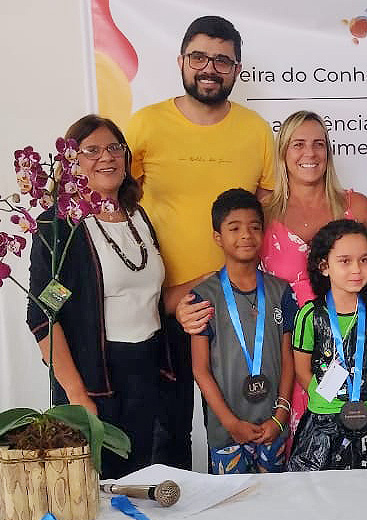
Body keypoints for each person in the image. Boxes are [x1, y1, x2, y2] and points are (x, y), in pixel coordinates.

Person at [177, 111, 367, 455]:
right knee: (292, 461)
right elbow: (236, 276)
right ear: (283, 152)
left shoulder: (355, 205)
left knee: (348, 456)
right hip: (285, 355)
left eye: (319, 144)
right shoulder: (263, 214)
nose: (310, 153)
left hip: (350, 350)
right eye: (298, 144)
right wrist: (187, 301)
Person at [126, 15, 275, 468]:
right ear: (181, 60)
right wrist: (163, 296)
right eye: (199, 57)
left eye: (223, 61)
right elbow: (112, 206)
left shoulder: (256, 130)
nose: (210, 68)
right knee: (164, 433)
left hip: (236, 311)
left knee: (237, 428)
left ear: (237, 69)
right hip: (161, 307)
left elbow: (266, 207)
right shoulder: (145, 124)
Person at [26, 115, 182, 478]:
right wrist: (78, 395)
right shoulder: (59, 227)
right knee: (99, 488)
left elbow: (150, 298)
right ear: (71, 162)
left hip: (147, 369)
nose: (106, 158)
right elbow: (43, 319)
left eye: (114, 148)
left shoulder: (138, 216)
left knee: (144, 480)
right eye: (91, 151)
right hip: (96, 377)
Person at [189, 189, 296, 473]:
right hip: (227, 432)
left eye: (254, 227)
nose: (246, 235)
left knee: (275, 506)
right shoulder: (203, 296)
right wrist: (230, 423)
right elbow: (200, 369)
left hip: (273, 427)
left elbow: (288, 359)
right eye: (234, 228)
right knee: (231, 507)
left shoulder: (281, 291)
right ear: (217, 237)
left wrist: (281, 415)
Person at [288, 220, 367, 470]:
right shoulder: (310, 315)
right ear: (324, 266)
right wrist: (329, 402)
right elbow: (301, 371)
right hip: (325, 422)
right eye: (345, 261)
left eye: (363, 260)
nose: (356, 269)